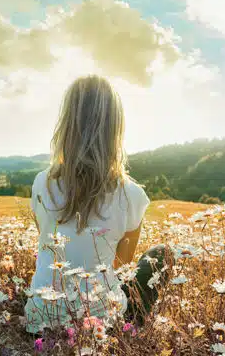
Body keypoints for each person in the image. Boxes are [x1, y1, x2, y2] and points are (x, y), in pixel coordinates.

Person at [23, 75, 170, 335]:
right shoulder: (132, 194)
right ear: (116, 129)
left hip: (40, 318)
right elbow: (119, 266)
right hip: (101, 321)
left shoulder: (41, 183)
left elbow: (47, 243)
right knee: (163, 254)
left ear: (66, 125)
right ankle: (131, 321)